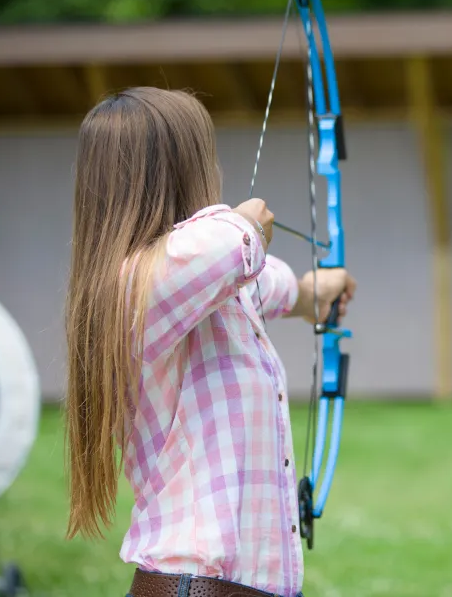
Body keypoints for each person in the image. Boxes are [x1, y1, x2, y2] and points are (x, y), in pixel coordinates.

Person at [62, 86, 356, 597]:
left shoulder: (206, 284)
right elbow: (227, 248)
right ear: (178, 170)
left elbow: (271, 284)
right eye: (206, 156)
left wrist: (315, 293)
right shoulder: (136, 286)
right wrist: (244, 224)